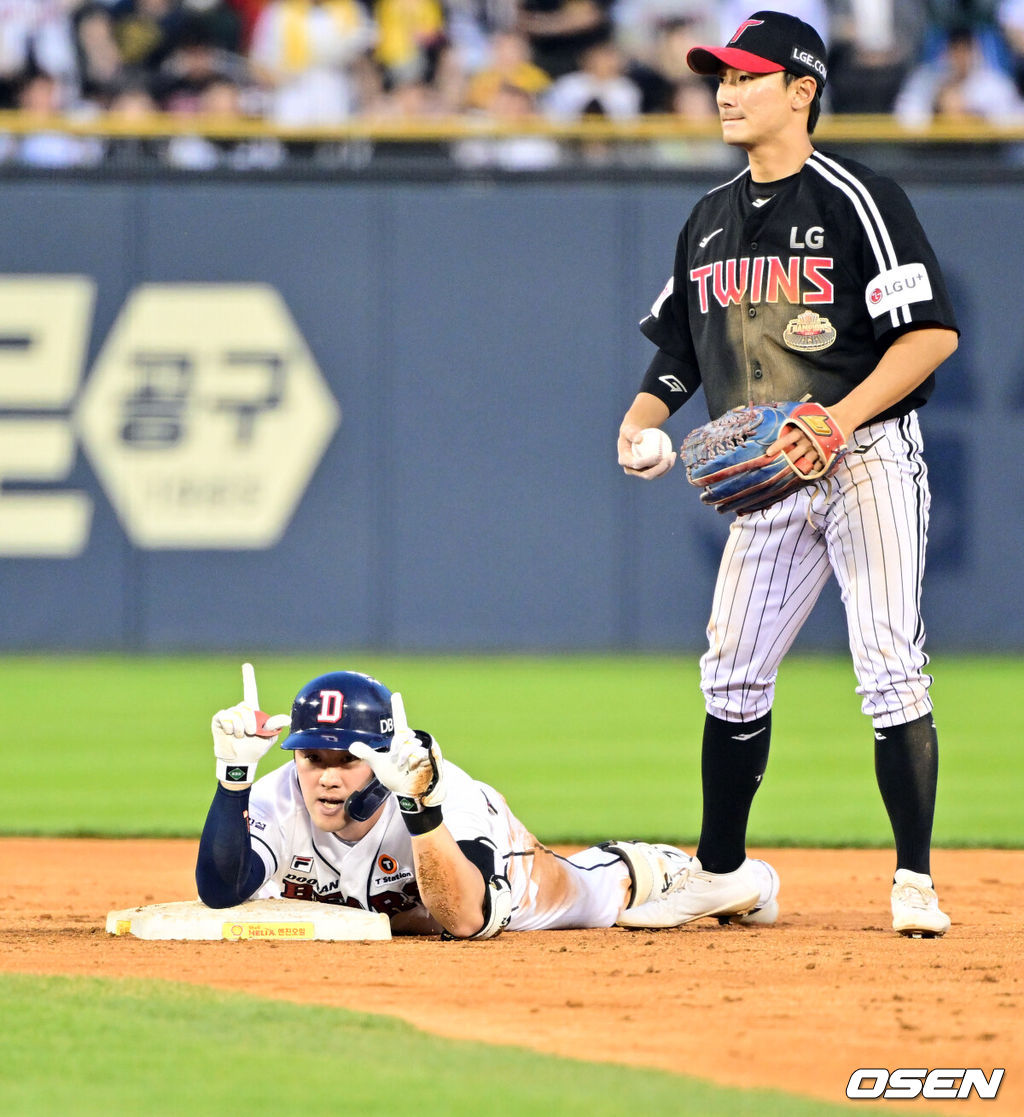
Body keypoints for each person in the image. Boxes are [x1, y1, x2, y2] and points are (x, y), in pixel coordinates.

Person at [614, 11, 959, 938]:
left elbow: (930, 335)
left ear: (801, 90)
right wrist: (642, 422)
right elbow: (680, 350)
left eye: (745, 77)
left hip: (866, 456)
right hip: (767, 479)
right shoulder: (710, 219)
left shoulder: (858, 198)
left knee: (889, 664)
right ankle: (721, 870)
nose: (725, 91)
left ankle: (914, 881)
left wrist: (835, 421)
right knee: (731, 673)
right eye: (718, 77)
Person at [196, 665, 780, 937]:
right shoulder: (278, 798)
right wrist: (233, 776)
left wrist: (423, 811)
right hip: (399, 907)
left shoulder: (454, 800)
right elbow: (223, 890)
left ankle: (703, 876)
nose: (325, 778)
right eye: (311, 759)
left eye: (346, 760)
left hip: (487, 873)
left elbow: (464, 921)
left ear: (379, 758)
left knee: (597, 896)